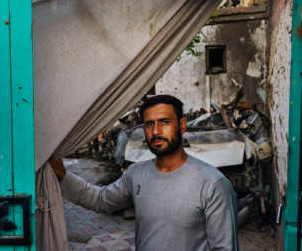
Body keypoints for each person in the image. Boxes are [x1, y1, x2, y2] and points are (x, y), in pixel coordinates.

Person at [49, 95, 238, 251]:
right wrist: (63, 175)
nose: (156, 131)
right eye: (149, 124)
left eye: (164, 122)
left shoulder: (213, 184)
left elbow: (224, 248)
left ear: (181, 125)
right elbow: (101, 200)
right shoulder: (137, 174)